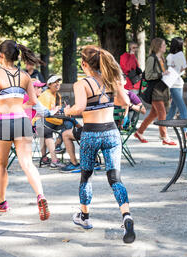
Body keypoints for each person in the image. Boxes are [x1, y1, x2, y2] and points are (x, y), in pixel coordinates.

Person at [62, 45, 136, 244]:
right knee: (115, 178)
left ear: (84, 64)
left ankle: (85, 217)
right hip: (111, 132)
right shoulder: (111, 79)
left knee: (86, 176)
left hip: (91, 133)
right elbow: (124, 102)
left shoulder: (82, 84)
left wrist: (67, 111)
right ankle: (126, 216)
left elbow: (80, 108)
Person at [0, 40, 50, 221]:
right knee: (27, 164)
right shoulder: (24, 76)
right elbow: (32, 101)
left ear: (1, 55)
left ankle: (1, 202)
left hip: (3, 122)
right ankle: (41, 196)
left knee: (1, 165)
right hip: (22, 120)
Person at [134, 38, 176, 146]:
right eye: (164, 45)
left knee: (154, 113)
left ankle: (139, 132)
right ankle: (164, 137)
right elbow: (148, 75)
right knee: (162, 113)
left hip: (163, 89)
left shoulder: (162, 58)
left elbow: (166, 75)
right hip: (154, 90)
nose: (165, 46)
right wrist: (162, 74)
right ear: (158, 46)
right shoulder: (151, 59)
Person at [34, 75, 80, 170]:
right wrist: (62, 114)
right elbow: (46, 114)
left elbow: (56, 112)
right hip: (41, 121)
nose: (57, 84)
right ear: (49, 84)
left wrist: (63, 111)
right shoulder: (46, 95)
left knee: (68, 122)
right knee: (68, 122)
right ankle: (57, 146)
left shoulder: (57, 95)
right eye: (55, 82)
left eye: (58, 82)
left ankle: (57, 146)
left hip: (51, 121)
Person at [165, 37, 187, 122]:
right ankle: (185, 133)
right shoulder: (173, 56)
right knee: (184, 111)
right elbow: (176, 70)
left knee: (173, 109)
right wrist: (180, 69)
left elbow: (180, 71)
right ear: (179, 45)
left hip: (179, 84)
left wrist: (180, 69)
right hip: (174, 85)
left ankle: (163, 130)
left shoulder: (175, 56)